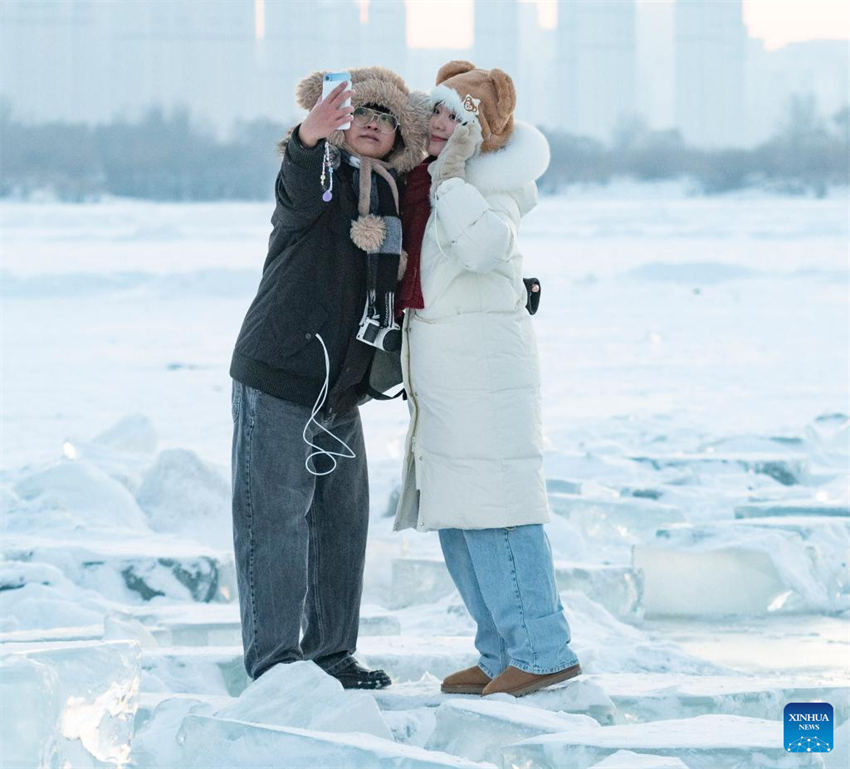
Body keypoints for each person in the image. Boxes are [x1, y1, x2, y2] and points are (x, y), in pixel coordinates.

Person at [230, 66, 428, 688]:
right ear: (339, 124)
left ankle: (331, 653)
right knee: (276, 521)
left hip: (341, 389)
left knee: (342, 522)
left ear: (399, 134)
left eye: (385, 116)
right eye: (359, 113)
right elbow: (295, 188)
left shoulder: (394, 196)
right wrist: (308, 138)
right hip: (283, 373)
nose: (371, 122)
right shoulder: (320, 179)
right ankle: (275, 664)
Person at [395, 61, 581, 697]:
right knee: (457, 515)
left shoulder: (488, 187)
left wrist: (449, 182)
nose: (443, 125)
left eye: (459, 117)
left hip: (485, 377)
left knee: (498, 510)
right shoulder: (433, 183)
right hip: (447, 379)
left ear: (484, 132)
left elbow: (482, 250)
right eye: (438, 112)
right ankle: (501, 652)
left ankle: (543, 650)